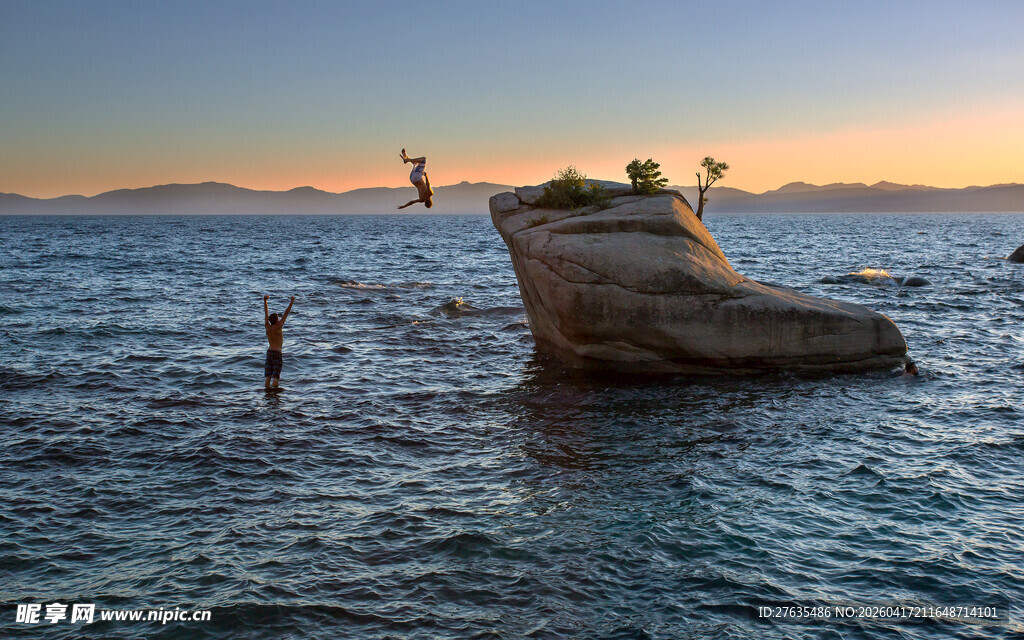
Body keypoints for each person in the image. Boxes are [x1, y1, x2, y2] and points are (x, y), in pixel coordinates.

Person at [263, 294, 294, 389]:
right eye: (278, 318)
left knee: (268, 377)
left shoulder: (267, 326)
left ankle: (267, 393)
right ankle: (274, 395)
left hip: (269, 352)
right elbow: (286, 313)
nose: (279, 319)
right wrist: (291, 302)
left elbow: (266, 314)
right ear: (276, 320)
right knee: (275, 377)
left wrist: (265, 301)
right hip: (277, 353)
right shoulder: (279, 326)